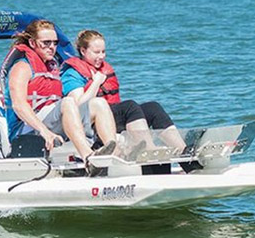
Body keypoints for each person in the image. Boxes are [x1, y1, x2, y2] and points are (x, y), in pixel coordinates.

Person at [0, 20, 117, 168]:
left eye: (55, 43)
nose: (52, 47)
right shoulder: (22, 67)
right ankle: (88, 157)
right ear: (32, 43)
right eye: (46, 43)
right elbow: (19, 106)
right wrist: (45, 132)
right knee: (67, 102)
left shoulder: (50, 66)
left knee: (98, 103)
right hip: (28, 129)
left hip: (52, 120)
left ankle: (113, 156)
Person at [61, 29, 188, 158]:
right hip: (95, 124)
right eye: (96, 52)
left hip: (112, 116)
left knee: (152, 107)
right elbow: (79, 106)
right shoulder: (72, 73)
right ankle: (150, 152)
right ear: (83, 51)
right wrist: (96, 83)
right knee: (129, 107)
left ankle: (184, 152)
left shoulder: (103, 68)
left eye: (103, 52)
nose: (101, 56)